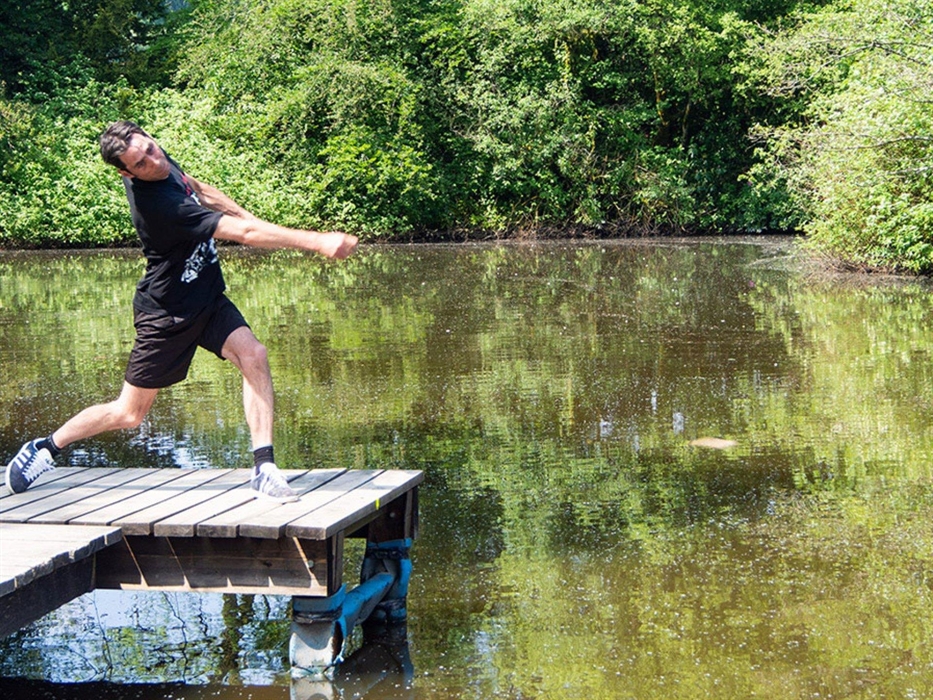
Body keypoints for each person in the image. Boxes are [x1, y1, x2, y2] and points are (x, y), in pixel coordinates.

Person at [4, 120, 358, 501]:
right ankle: (45, 448)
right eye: (141, 163)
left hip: (205, 297)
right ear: (126, 172)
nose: (155, 162)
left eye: (152, 149)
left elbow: (199, 188)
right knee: (129, 414)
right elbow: (245, 236)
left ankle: (264, 468)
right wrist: (318, 241)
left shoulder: (153, 157)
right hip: (167, 313)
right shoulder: (160, 207)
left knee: (254, 354)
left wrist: (248, 216)